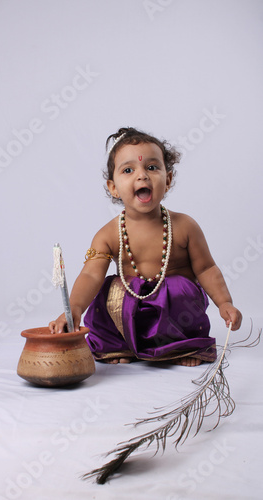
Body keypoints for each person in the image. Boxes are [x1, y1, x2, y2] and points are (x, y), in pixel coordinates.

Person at [49, 127, 242, 366]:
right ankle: (121, 344)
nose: (142, 175)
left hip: (175, 314)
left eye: (152, 167)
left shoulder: (185, 226)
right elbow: (90, 274)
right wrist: (75, 308)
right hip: (131, 312)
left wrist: (225, 303)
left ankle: (179, 346)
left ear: (168, 179)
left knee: (181, 287)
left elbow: (206, 270)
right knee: (110, 289)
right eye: (128, 170)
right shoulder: (109, 233)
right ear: (113, 187)